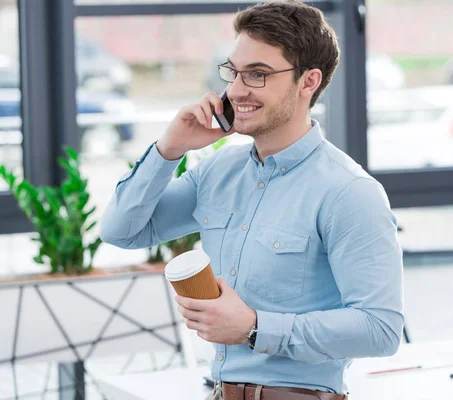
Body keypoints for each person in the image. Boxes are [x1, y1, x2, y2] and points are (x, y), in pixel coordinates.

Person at [100, 1, 404, 399]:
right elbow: (121, 231)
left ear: (308, 82)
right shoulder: (216, 172)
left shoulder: (350, 192)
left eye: (258, 75)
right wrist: (169, 148)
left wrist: (254, 327)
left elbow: (380, 329)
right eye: (234, 72)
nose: (236, 90)